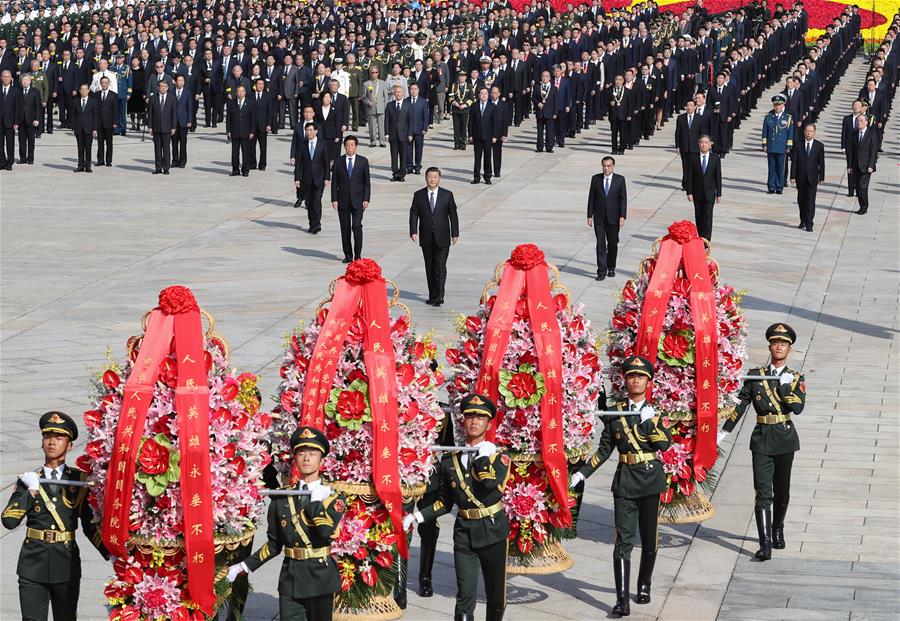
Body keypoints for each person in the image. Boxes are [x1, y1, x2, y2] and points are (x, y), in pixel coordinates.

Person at [570, 356, 672, 617]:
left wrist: (649, 422)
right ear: (625, 380)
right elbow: (604, 449)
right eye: (631, 376)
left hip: (650, 480)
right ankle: (622, 599)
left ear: (648, 381)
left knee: (649, 539)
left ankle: (644, 584)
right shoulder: (616, 412)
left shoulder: (657, 412)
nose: (636, 380)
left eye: (641, 376)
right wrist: (582, 474)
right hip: (625, 481)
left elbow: (664, 446)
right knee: (623, 541)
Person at [405, 394, 510, 621]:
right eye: (470, 416)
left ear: (489, 424)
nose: (474, 421)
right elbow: (444, 502)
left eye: (481, 417)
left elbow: (490, 482)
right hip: (464, 532)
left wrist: (483, 457)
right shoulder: (449, 460)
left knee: (495, 596)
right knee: (464, 595)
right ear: (463, 420)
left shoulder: (498, 457)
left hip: (492, 530)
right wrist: (417, 517)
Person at [226, 426, 345, 621]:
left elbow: (325, 532)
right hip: (291, 578)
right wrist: (244, 567)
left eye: (312, 454)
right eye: (301, 453)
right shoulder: (282, 498)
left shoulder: (333, 497)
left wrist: (315, 502)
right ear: (295, 459)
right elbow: (274, 545)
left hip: (320, 578)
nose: (306, 458)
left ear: (322, 461)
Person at [2, 411, 109, 621]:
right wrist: (31, 491)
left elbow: (89, 526)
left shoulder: (78, 481)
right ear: (42, 442)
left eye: (59, 438)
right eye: (48, 437)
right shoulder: (29, 480)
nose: (52, 442)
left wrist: (110, 553)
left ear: (69, 446)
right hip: (33, 564)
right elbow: (8, 520)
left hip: (65, 563)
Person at [717, 324, 805, 562]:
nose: (779, 346)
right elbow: (741, 405)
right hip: (762, 438)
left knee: (782, 491)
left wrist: (786, 386)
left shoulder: (796, 377)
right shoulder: (756, 375)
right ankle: (765, 543)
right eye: (776, 343)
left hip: (785, 438)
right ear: (770, 346)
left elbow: (797, 408)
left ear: (789, 349)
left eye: (784, 344)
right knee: (763, 491)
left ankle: (778, 528)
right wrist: (725, 431)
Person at [409, 166, 460, 307]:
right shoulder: (418, 195)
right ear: (426, 178)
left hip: (443, 236)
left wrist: (455, 233)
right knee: (430, 267)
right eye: (430, 177)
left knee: (440, 266)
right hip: (426, 237)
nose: (432, 179)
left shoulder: (447, 195)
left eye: (435, 177)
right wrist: (413, 231)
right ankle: (432, 295)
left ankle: (440, 295)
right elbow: (414, 214)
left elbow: (453, 215)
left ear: (439, 178)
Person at [330, 135, 371, 263]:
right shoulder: (338, 162)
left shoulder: (363, 161)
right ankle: (348, 255)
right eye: (347, 145)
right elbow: (334, 182)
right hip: (343, 200)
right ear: (344, 147)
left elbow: (366, 183)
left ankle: (358, 255)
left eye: (352, 145)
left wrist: (366, 199)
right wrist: (334, 199)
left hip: (358, 200)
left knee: (356, 226)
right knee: (345, 228)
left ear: (356, 146)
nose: (350, 147)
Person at [587, 156, 627, 281]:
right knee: (600, 244)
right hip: (599, 218)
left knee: (613, 244)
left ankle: (611, 267)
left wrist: (622, 216)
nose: (606, 168)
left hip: (614, 218)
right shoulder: (596, 179)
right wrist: (589, 215)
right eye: (604, 165)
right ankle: (601, 271)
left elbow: (623, 199)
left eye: (608, 166)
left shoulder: (620, 180)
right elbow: (591, 198)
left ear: (613, 166)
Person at [685, 135, 722, 241]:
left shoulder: (715, 158)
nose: (703, 144)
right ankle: (700, 239)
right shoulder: (693, 158)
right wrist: (689, 192)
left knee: (708, 217)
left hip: (710, 193)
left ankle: (706, 241)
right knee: (699, 217)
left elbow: (718, 177)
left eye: (706, 142)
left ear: (710, 145)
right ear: (698, 144)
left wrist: (718, 193)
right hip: (697, 193)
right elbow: (690, 176)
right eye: (701, 142)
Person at [789, 123, 825, 231]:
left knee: (810, 201)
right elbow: (794, 161)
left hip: (812, 178)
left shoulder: (819, 145)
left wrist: (821, 177)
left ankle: (809, 223)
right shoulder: (798, 144)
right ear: (804, 132)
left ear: (814, 133)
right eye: (807, 131)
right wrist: (792, 176)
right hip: (800, 177)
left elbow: (821, 163)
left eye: (811, 131)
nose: (809, 133)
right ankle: (803, 220)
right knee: (801, 199)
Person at [295, 121, 329, 234]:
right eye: (306, 130)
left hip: (319, 178)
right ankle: (311, 223)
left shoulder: (323, 144)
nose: (308, 132)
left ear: (316, 131)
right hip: (306, 178)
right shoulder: (302, 144)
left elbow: (326, 163)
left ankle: (317, 223)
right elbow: (299, 163)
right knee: (309, 202)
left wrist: (327, 177)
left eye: (310, 130)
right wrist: (297, 178)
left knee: (317, 201)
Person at [846, 114, 878, 215]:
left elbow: (873, 151)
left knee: (862, 186)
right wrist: (849, 166)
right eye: (857, 121)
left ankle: (864, 206)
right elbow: (851, 152)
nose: (859, 123)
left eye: (861, 121)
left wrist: (871, 165)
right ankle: (861, 205)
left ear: (866, 122)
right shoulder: (854, 134)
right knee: (858, 187)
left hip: (866, 165)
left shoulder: (871, 134)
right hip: (855, 165)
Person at [761, 94, 793, 195]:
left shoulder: (787, 118)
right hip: (771, 146)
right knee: (771, 168)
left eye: (779, 105)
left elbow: (790, 134)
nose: (777, 107)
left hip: (781, 146)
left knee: (780, 168)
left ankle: (779, 187)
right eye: (776, 105)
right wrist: (764, 145)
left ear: (783, 105)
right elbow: (764, 132)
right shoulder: (768, 117)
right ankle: (771, 187)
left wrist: (789, 146)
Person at [468, 86, 495, 185]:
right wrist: (470, 135)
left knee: (487, 158)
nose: (483, 95)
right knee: (477, 158)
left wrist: (495, 136)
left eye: (485, 94)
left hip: (488, 136)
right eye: (481, 94)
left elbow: (494, 122)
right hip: (477, 136)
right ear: (478, 95)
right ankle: (476, 177)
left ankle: (487, 177)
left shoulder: (491, 106)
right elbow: (470, 122)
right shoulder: (474, 106)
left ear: (488, 96)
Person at [148, 79, 176, 174]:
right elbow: (150, 113)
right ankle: (158, 167)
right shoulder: (153, 98)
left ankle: (166, 168)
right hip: (156, 127)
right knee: (157, 148)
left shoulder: (172, 98)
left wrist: (173, 127)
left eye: (165, 86)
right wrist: (150, 126)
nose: (163, 88)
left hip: (167, 127)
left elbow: (174, 114)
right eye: (161, 86)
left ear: (168, 88)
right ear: (158, 87)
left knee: (166, 148)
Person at [385, 83, 411, 182]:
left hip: (404, 135)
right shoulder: (390, 105)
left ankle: (402, 174)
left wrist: (410, 134)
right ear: (394, 94)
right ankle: (395, 173)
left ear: (403, 93)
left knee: (403, 156)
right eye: (396, 92)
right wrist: (386, 133)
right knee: (394, 155)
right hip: (393, 135)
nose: (398, 94)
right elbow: (387, 120)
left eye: (399, 92)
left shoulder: (408, 105)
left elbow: (410, 121)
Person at [226, 84, 254, 177]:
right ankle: (235, 169)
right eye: (238, 91)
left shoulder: (250, 103)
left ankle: (245, 170)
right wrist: (228, 130)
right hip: (235, 131)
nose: (240, 93)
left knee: (246, 152)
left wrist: (252, 131)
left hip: (246, 131)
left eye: (242, 91)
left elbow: (253, 119)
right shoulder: (231, 103)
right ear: (236, 93)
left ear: (245, 92)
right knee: (235, 153)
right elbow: (228, 118)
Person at [674, 100, 701, 190]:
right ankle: (685, 184)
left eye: (691, 105)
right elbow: (678, 132)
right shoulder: (681, 118)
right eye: (688, 106)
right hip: (684, 146)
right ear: (685, 107)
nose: (689, 107)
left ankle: (693, 184)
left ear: (695, 107)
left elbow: (702, 133)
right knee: (685, 166)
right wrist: (677, 146)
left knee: (694, 167)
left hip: (695, 147)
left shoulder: (699, 118)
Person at [71, 83, 97, 173]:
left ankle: (88, 165)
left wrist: (95, 129)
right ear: (79, 91)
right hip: (79, 128)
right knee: (80, 148)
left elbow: (95, 116)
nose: (83, 91)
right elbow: (73, 115)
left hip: (89, 128)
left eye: (85, 89)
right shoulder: (76, 101)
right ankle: (80, 165)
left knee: (88, 148)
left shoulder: (93, 101)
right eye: (82, 89)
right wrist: (73, 128)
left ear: (88, 91)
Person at [249, 78, 274, 170]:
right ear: (255, 85)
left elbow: (270, 111)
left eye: (262, 84)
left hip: (263, 125)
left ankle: (262, 164)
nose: (260, 86)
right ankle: (252, 163)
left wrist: (269, 124)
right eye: (259, 84)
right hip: (252, 126)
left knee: (263, 147)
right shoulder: (250, 95)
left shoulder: (268, 96)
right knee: (251, 146)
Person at [94, 75, 118, 167]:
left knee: (109, 143)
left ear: (108, 83)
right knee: (100, 143)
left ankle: (108, 161)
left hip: (109, 122)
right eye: (102, 83)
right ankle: (100, 160)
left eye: (106, 82)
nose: (104, 84)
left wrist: (115, 122)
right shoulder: (96, 95)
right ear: (100, 84)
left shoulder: (113, 95)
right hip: (99, 123)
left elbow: (116, 110)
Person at [17, 72, 40, 164]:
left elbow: (38, 107)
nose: (25, 82)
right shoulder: (18, 91)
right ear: (21, 82)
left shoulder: (35, 92)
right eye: (23, 80)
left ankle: (30, 158)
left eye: (27, 80)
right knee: (21, 141)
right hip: (21, 120)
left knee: (31, 141)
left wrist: (37, 119)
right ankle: (22, 158)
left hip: (31, 120)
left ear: (30, 81)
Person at [406, 82, 428, 175]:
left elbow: (425, 116)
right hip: (408, 130)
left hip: (419, 129)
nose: (413, 91)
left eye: (415, 89)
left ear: (418, 90)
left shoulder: (423, 101)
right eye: (412, 89)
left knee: (419, 149)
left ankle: (418, 166)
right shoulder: (406, 101)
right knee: (408, 149)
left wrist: (425, 128)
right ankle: (409, 166)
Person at [362, 67, 388, 147]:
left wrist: (384, 108)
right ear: (370, 73)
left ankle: (382, 142)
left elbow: (386, 97)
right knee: (372, 126)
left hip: (381, 108)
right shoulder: (366, 84)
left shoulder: (383, 83)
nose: (374, 74)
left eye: (376, 72)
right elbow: (363, 97)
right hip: (371, 108)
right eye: (372, 72)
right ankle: (373, 141)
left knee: (381, 126)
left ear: (378, 73)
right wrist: (367, 102)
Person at [448, 72, 473, 150]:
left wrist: (465, 105)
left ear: (465, 77)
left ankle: (463, 144)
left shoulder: (469, 86)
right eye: (460, 76)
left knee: (463, 127)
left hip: (465, 110)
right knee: (456, 128)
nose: (461, 78)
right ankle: (456, 144)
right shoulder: (454, 86)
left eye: (463, 76)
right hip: (456, 109)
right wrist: (454, 103)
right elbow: (450, 97)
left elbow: (472, 99)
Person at [171, 74, 192, 168]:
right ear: (175, 82)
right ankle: (175, 160)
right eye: (179, 80)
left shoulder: (187, 93)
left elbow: (190, 108)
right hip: (173, 122)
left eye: (182, 80)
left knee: (183, 143)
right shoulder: (171, 92)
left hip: (184, 121)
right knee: (174, 142)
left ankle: (183, 161)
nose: (181, 82)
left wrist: (190, 120)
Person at [489, 85, 510, 178]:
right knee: (487, 154)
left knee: (497, 153)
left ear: (499, 94)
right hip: (488, 133)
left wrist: (504, 134)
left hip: (499, 132)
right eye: (492, 93)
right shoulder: (487, 103)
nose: (494, 95)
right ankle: (488, 171)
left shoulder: (504, 105)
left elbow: (506, 121)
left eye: (496, 93)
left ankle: (497, 171)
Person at [0, 69, 19, 170]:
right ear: (1, 78)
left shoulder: (15, 90)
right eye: (4, 76)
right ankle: (2, 161)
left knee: (10, 143)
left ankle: (9, 162)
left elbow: (18, 108)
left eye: (8, 77)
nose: (6, 78)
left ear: (11, 78)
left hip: (10, 122)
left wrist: (16, 122)